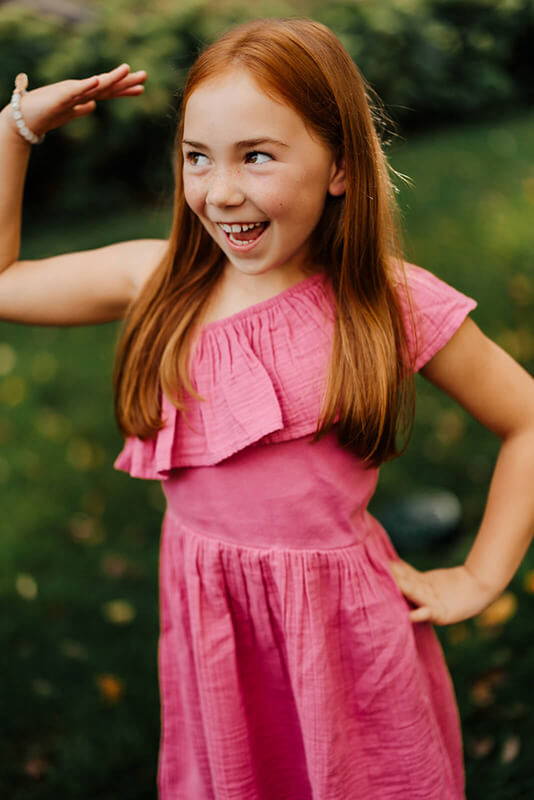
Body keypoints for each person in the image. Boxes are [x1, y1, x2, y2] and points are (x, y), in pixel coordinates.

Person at [1, 16, 533, 800]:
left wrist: (480, 577)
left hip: (344, 639)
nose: (220, 191)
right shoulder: (158, 281)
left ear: (339, 167)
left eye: (256, 156)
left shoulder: (385, 302)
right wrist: (14, 131)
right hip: (217, 639)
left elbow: (526, 421)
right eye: (197, 157)